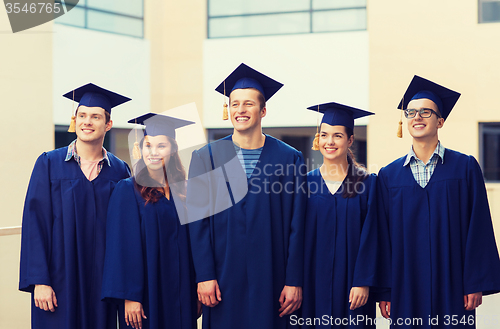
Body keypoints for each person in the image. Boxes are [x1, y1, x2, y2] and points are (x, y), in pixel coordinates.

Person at [187, 63, 307, 329]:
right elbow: (197, 223)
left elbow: (298, 224)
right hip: (222, 277)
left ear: (263, 110)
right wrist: (204, 275)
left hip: (273, 278)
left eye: (248, 104)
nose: (240, 110)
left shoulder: (289, 158)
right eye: (234, 104)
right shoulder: (205, 158)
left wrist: (294, 279)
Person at [377, 75, 500, 328]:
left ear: (440, 121)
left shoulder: (465, 167)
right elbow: (381, 237)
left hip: (453, 284)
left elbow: (478, 228)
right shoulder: (388, 176)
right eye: (411, 112)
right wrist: (385, 291)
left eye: (426, 112)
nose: (417, 117)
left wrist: (474, 282)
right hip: (405, 285)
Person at [19, 83, 131, 329]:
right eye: (82, 115)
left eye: (95, 116)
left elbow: (126, 231)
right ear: (75, 120)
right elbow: (35, 224)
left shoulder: (120, 170)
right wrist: (39, 281)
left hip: (103, 282)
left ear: (108, 124)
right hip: (59, 279)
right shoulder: (49, 163)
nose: (87, 122)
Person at [101, 113, 200, 329]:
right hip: (145, 295)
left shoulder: (183, 190)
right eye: (147, 145)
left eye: (161, 146)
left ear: (173, 149)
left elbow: (195, 243)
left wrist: (195, 289)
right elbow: (120, 247)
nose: (153, 152)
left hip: (181, 291)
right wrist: (130, 297)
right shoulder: (127, 189)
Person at [301, 102, 390, 328]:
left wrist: (363, 281)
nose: (329, 142)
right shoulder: (304, 183)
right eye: (324, 135)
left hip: (353, 285)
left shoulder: (368, 183)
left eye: (337, 136)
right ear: (318, 139)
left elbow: (374, 237)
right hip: (312, 282)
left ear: (350, 140)